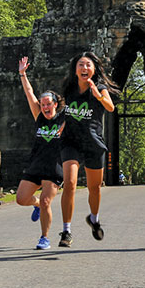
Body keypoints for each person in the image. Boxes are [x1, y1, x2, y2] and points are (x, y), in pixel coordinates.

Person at [57, 51, 117, 247]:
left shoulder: (100, 87)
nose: (84, 68)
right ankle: (66, 231)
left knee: (94, 188)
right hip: (71, 141)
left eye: (88, 65)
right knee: (70, 183)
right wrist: (59, 126)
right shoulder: (69, 87)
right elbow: (65, 111)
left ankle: (94, 219)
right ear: (75, 69)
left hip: (93, 142)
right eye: (81, 64)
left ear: (94, 69)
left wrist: (98, 96)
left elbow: (110, 107)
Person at [15, 56, 65, 250]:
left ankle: (44, 238)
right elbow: (29, 93)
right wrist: (22, 74)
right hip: (36, 165)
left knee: (46, 201)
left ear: (55, 104)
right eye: (42, 104)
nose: (45, 107)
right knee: (21, 199)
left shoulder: (63, 120)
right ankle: (35, 205)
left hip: (54, 168)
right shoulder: (39, 117)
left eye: (48, 104)